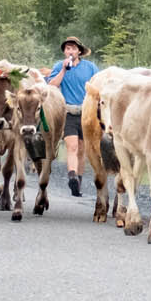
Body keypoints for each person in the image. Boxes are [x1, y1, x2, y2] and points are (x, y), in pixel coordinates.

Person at [46, 37, 98, 197]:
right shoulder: (58, 66)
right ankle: (72, 176)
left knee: (82, 150)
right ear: (64, 51)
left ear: (79, 51)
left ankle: (78, 182)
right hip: (68, 112)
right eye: (68, 49)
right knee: (72, 146)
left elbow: (98, 85)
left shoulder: (90, 67)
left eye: (73, 49)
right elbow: (51, 85)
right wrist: (63, 70)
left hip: (87, 113)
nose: (70, 51)